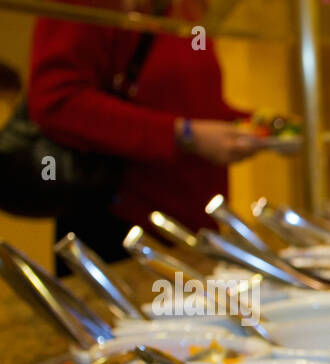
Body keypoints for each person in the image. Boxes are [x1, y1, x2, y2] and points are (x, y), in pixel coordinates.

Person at [25, 0, 262, 264]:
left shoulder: (185, 8)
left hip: (190, 227)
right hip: (122, 226)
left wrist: (256, 126)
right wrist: (183, 135)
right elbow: (56, 102)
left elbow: (186, 101)